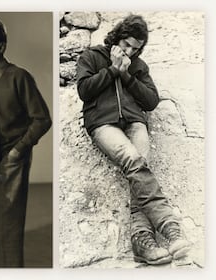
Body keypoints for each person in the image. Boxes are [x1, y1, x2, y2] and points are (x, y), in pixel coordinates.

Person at [76, 14, 191, 265]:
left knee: (138, 173)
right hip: (103, 125)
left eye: (135, 48)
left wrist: (126, 75)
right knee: (134, 161)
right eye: (126, 44)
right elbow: (84, 90)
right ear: (117, 37)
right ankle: (170, 228)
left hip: (135, 123)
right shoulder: (92, 56)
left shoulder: (138, 66)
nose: (129, 51)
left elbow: (151, 101)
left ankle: (142, 243)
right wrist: (111, 70)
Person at [0, 19, 52, 267]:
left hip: (14, 159)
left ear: (1, 47)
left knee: (9, 226)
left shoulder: (20, 77)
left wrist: (18, 151)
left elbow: (42, 119)